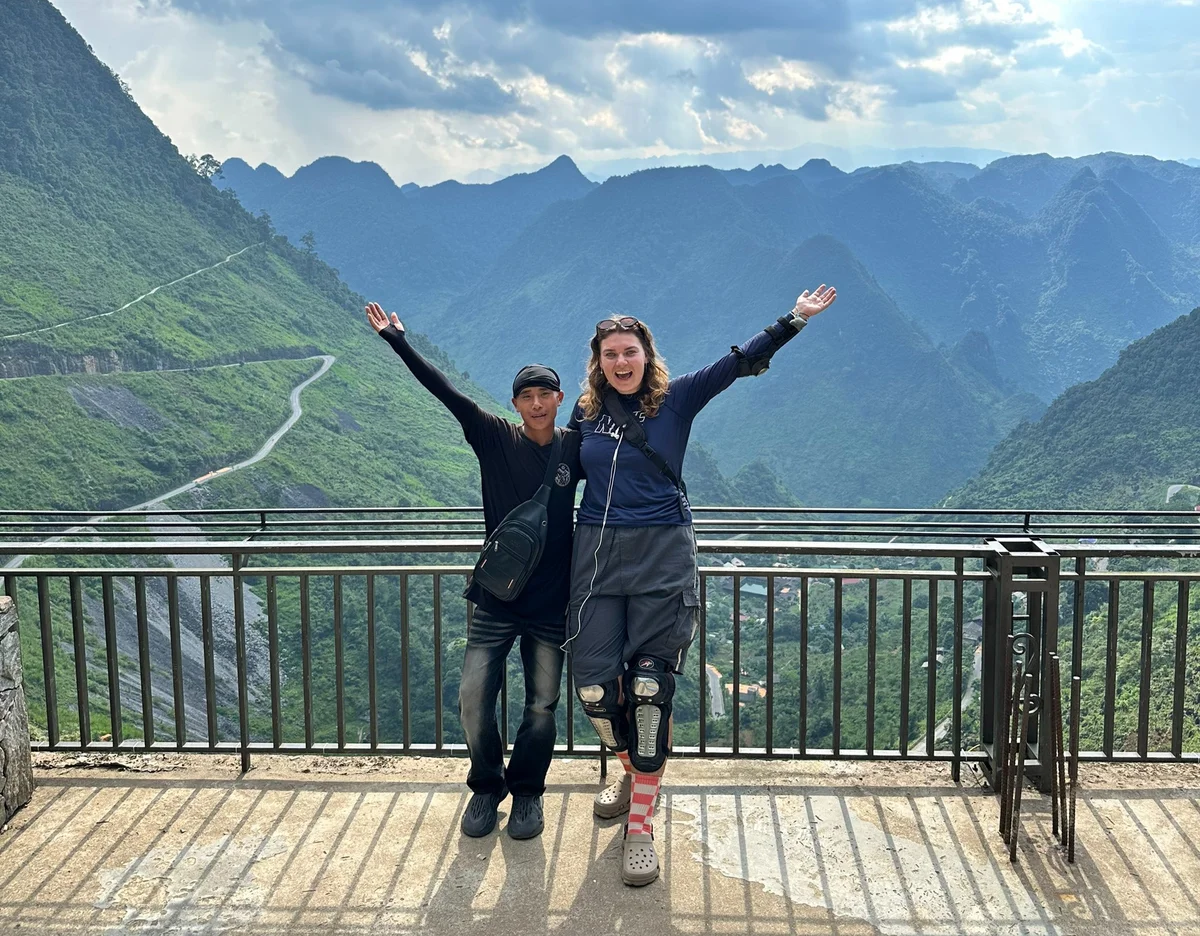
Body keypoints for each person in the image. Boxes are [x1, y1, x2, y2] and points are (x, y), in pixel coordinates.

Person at [566, 285, 837, 885]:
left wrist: (792, 319)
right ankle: (628, 771)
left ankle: (641, 824)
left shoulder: (677, 399)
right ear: (598, 362)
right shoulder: (585, 414)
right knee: (591, 685)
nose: (620, 361)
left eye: (629, 351)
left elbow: (737, 364)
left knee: (647, 690)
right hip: (596, 556)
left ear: (646, 354)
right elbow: (558, 475)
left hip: (663, 551)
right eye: (610, 354)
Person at [366, 301, 581, 840]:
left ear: (560, 400)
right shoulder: (493, 436)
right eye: (526, 396)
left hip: (551, 603)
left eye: (544, 395)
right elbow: (443, 392)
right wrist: (397, 340)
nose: (536, 404)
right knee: (471, 701)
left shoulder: (575, 449)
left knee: (541, 707)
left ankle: (528, 794)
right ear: (515, 403)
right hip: (495, 598)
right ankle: (487, 788)